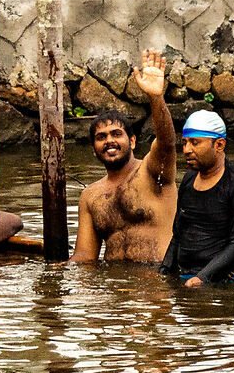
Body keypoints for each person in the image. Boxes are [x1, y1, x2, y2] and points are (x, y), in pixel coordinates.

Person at [76, 47, 179, 263]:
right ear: (94, 150)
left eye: (116, 134)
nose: (109, 141)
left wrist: (155, 97)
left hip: (156, 285)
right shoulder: (90, 196)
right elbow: (85, 257)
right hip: (114, 288)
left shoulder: (152, 172)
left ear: (132, 141)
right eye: (101, 137)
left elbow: (168, 143)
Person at [157, 111, 234, 287]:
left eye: (195, 143)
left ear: (219, 144)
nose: (187, 150)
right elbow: (178, 235)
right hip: (188, 278)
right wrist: (163, 272)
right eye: (185, 143)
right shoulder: (189, 179)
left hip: (228, 282)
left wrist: (202, 278)